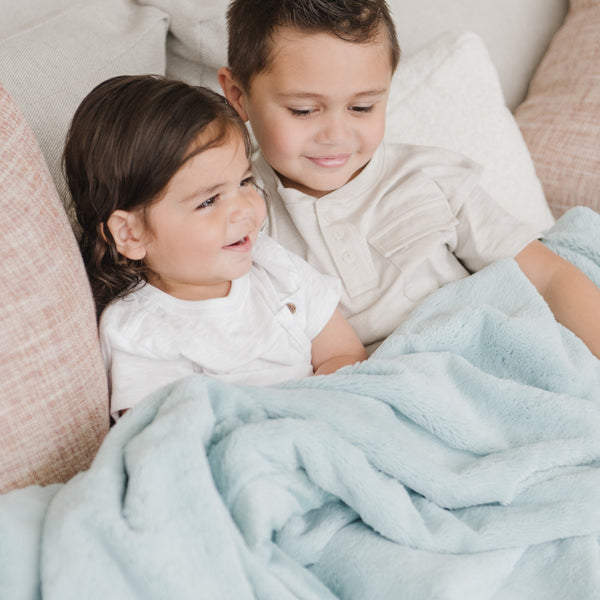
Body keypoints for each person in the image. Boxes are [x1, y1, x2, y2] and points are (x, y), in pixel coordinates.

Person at [217, 0, 600, 358]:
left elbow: (548, 277)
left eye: (362, 107)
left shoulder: (430, 179)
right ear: (238, 97)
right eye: (303, 111)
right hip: (376, 390)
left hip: (481, 354)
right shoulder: (237, 219)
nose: (336, 134)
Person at [63, 75, 367, 419]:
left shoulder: (273, 267)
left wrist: (309, 414)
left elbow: (345, 355)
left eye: (245, 181)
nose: (246, 208)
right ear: (131, 235)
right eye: (208, 201)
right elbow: (164, 436)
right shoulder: (138, 330)